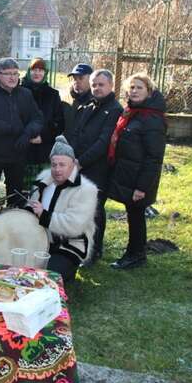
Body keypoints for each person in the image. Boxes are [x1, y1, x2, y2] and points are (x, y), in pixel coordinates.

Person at [108, 73, 167, 270]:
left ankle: (135, 254)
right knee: (134, 214)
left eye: (139, 87)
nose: (134, 91)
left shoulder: (152, 119)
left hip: (140, 180)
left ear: (149, 92)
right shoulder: (132, 113)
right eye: (131, 87)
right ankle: (135, 252)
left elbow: (154, 157)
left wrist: (142, 187)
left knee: (136, 215)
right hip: (129, 175)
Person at [68, 69, 123, 263]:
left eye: (101, 84)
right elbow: (76, 133)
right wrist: (71, 157)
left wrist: (80, 162)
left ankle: (94, 251)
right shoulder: (89, 105)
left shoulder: (115, 109)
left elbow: (103, 142)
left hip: (98, 169)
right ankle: (79, 246)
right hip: (79, 164)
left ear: (110, 86)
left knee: (95, 210)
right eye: (94, 85)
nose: (97, 88)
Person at [0, 58, 43, 207]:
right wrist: (11, 127)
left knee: (16, 197)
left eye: (15, 73)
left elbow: (37, 119)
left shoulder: (26, 94)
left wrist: (27, 134)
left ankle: (14, 226)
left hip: (18, 154)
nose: (13, 77)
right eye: (8, 74)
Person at [28, 135, 98, 282]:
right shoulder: (43, 180)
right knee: (17, 267)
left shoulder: (86, 190)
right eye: (54, 164)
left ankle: (69, 268)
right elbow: (31, 208)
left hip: (68, 245)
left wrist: (44, 215)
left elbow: (74, 226)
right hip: (40, 240)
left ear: (73, 165)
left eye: (62, 164)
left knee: (44, 279)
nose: (57, 169)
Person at [21, 58, 64, 189]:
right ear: (29, 71)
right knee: (21, 191)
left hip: (44, 151)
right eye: (34, 69)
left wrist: (43, 137)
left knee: (42, 191)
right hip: (23, 150)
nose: (37, 73)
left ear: (45, 73)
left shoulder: (53, 94)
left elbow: (60, 123)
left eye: (40, 70)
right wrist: (27, 136)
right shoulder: (19, 92)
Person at [63, 63, 93, 137]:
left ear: (91, 79)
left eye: (80, 78)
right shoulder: (66, 99)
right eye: (74, 78)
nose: (76, 82)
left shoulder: (96, 102)